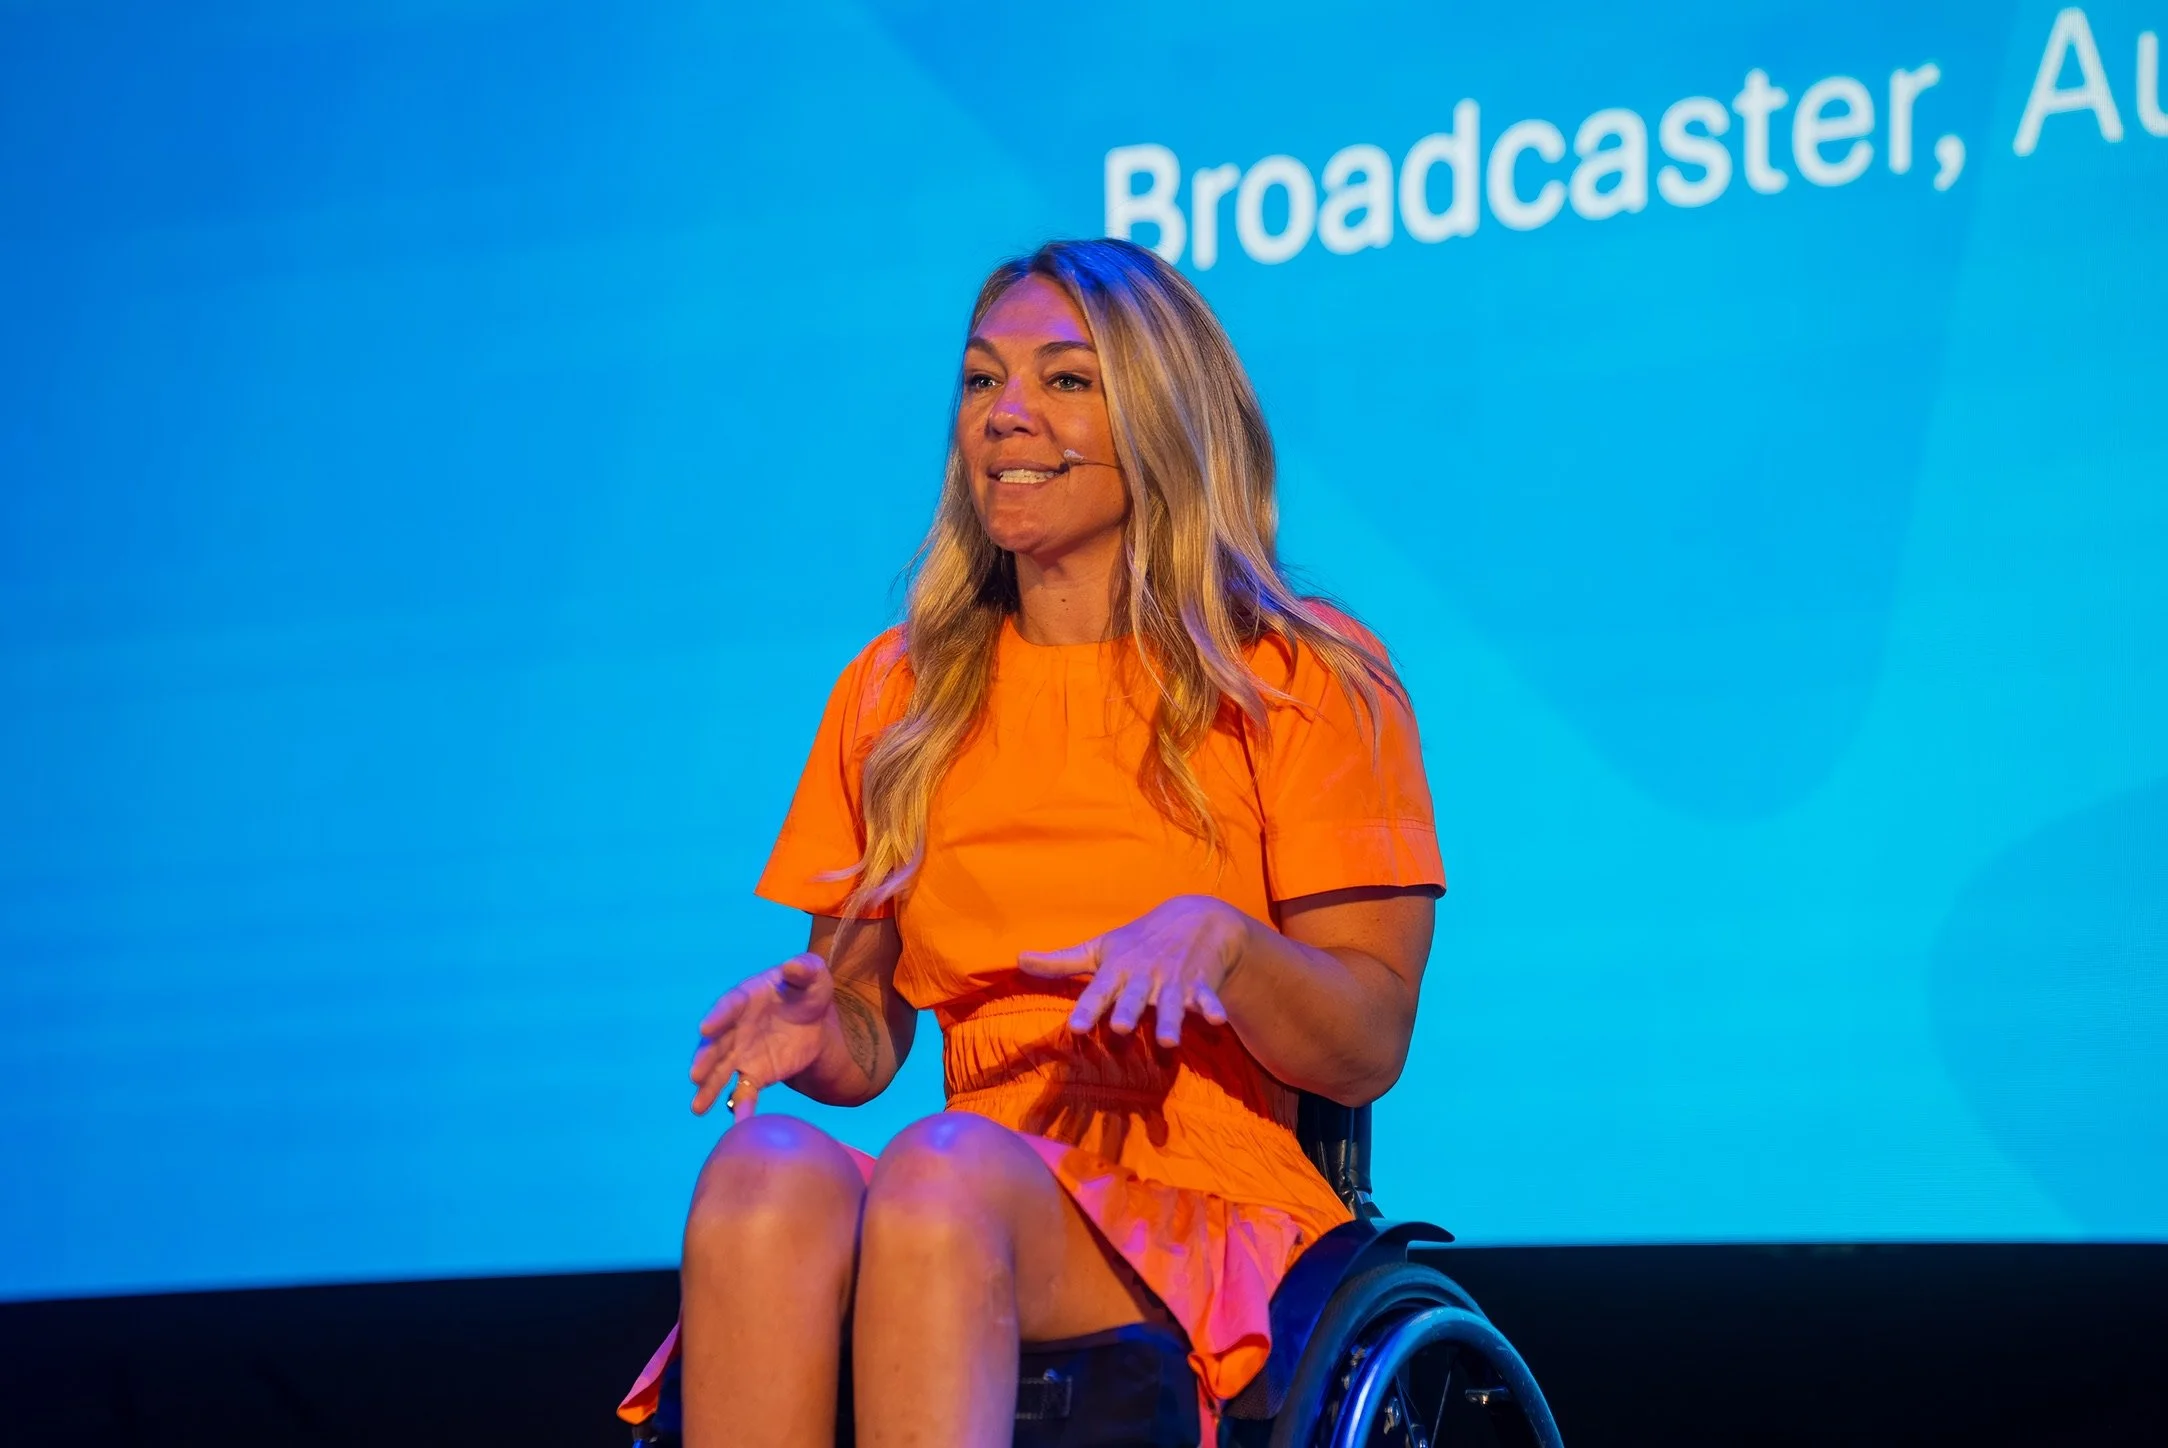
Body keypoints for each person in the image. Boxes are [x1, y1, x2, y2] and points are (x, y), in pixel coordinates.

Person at [618, 238, 1445, 1447]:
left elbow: (1366, 1039)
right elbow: (868, 1036)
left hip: (1201, 1187)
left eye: (1064, 379)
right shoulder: (898, 694)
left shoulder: (1295, 672)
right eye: (979, 380)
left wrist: (1226, 948)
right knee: (765, 1172)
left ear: (1159, 415)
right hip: (965, 1165)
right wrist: (825, 1029)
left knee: (938, 1174)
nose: (1005, 414)